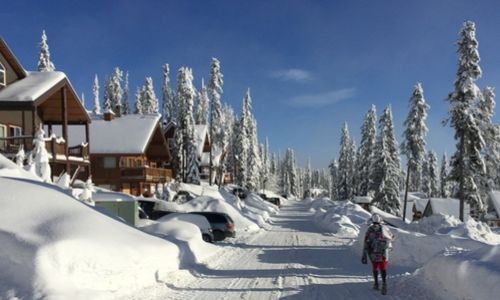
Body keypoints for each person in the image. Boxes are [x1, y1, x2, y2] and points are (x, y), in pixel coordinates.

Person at [361, 213, 394, 295]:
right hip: (384, 252)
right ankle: (384, 283)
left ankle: (376, 284)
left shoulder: (370, 229)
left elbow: (366, 242)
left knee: (375, 267)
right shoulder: (385, 228)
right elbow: (392, 237)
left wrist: (364, 253)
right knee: (383, 268)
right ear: (380, 220)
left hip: (373, 252)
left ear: (372, 220)